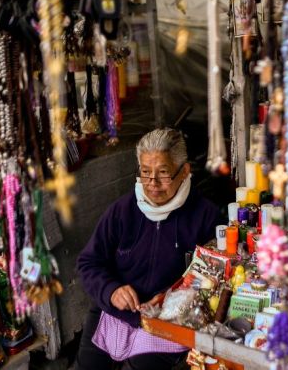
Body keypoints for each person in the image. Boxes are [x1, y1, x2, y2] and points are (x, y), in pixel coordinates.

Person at [75, 128, 221, 369]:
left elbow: (211, 279)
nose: (152, 184)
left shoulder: (205, 216)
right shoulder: (121, 211)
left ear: (184, 171)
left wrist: (169, 297)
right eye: (145, 173)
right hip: (115, 313)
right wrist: (112, 291)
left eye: (163, 173)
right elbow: (89, 262)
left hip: (169, 319)